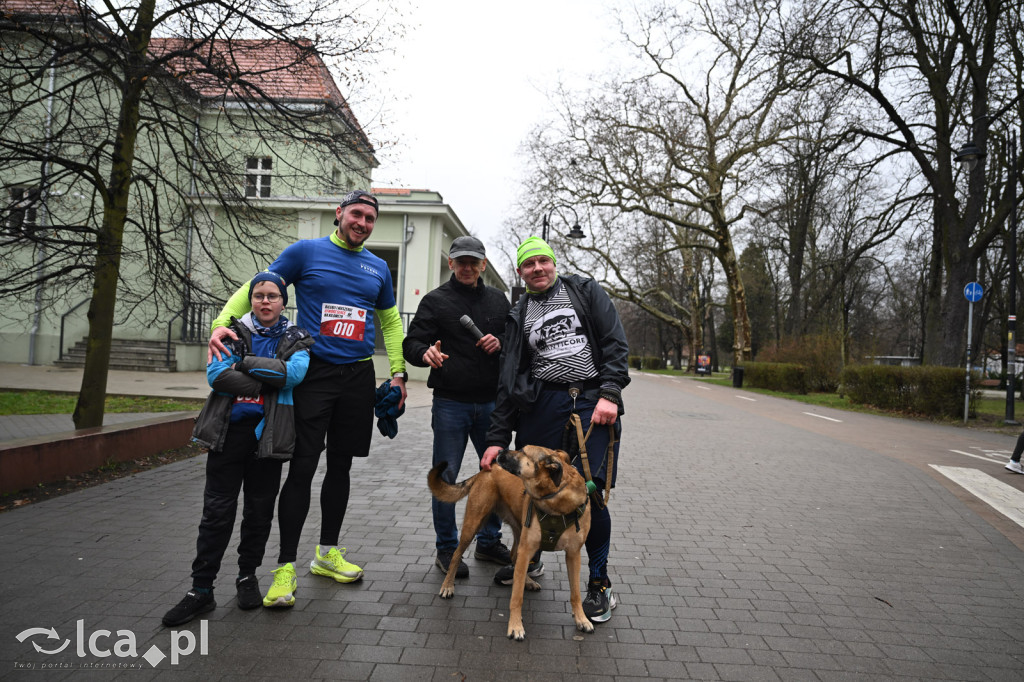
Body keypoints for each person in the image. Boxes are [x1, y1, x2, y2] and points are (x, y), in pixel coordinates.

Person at [207, 190, 408, 608]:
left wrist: (399, 373)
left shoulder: (377, 268)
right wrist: (222, 323)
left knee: (341, 466)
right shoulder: (305, 252)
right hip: (313, 374)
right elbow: (255, 287)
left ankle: (327, 553)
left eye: (370, 218)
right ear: (339, 214)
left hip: (357, 377)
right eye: (356, 214)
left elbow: (389, 319)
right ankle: (285, 568)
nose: (363, 223)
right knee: (301, 468)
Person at [480, 236, 629, 624]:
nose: (538, 269)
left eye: (543, 261)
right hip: (542, 406)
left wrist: (610, 392)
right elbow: (508, 382)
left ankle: (599, 584)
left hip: (592, 404)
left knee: (590, 493)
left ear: (554, 263)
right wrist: (497, 439)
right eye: (529, 265)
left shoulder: (584, 291)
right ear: (520, 272)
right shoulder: (519, 313)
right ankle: (529, 561)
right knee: (536, 491)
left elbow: (615, 342)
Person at [163, 272, 313, 626]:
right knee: (216, 512)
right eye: (259, 295)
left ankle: (247, 576)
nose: (265, 301)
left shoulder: (298, 338)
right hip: (227, 434)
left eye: (272, 296)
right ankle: (201, 590)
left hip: (269, 437)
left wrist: (243, 363)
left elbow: (293, 376)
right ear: (251, 299)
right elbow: (217, 375)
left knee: (259, 513)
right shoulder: (230, 331)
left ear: (283, 301)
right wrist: (267, 377)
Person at [403, 235, 512, 578]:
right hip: (450, 403)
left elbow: (518, 343)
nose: (467, 267)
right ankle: (447, 548)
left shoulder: (499, 301)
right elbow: (412, 343)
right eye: (460, 261)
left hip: (493, 405)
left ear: (483, 264)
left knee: (495, 476)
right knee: (446, 478)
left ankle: (489, 541)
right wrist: (424, 353)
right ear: (450, 263)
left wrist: (503, 341)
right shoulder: (436, 301)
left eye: (473, 261)